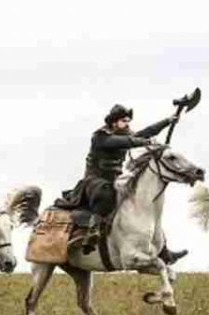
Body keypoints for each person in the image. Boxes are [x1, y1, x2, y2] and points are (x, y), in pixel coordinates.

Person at [53, 104, 188, 264]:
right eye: (124, 121)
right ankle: (92, 231)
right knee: (106, 194)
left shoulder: (124, 135)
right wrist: (146, 142)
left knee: (143, 207)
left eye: (128, 121)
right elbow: (126, 141)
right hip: (95, 181)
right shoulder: (100, 137)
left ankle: (163, 249)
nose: (127, 124)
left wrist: (167, 121)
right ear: (114, 122)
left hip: (116, 179)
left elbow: (145, 132)